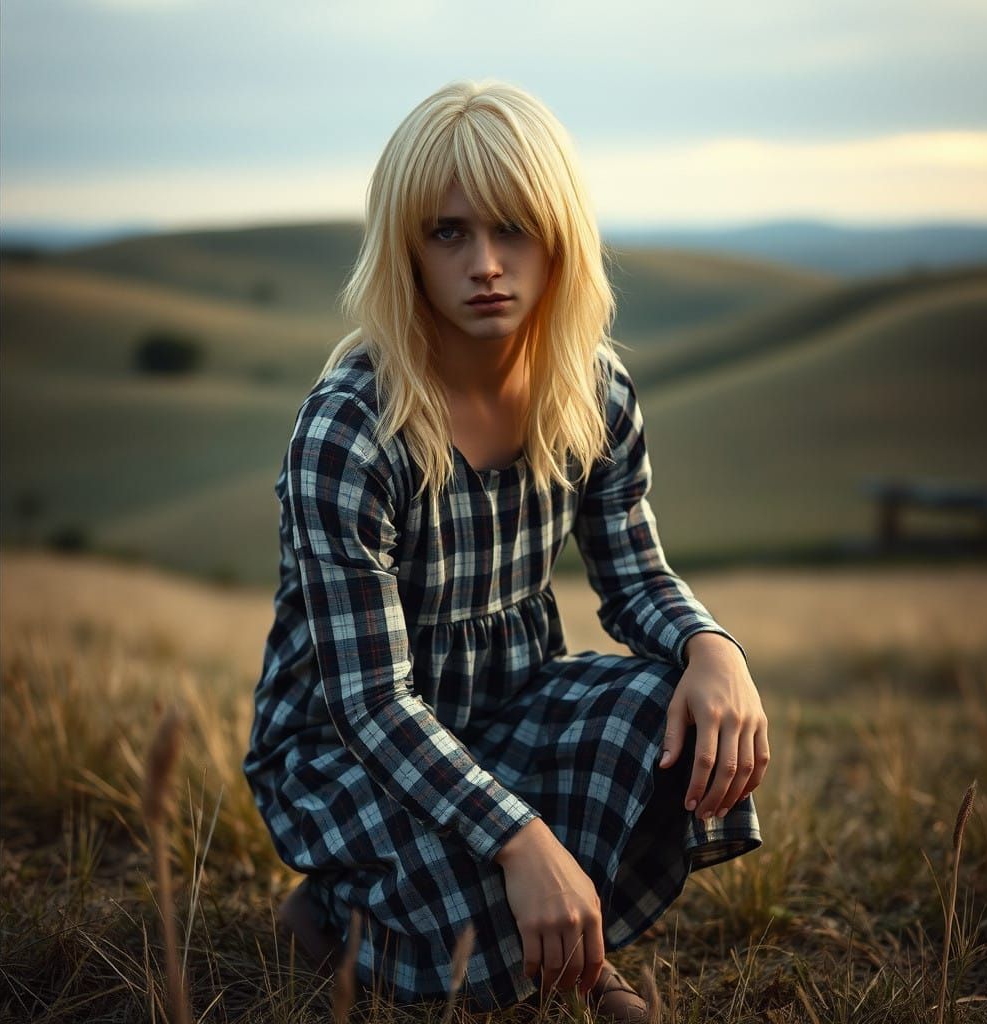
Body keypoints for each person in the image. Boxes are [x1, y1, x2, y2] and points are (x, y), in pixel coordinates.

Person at [243, 79, 768, 1019]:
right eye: (449, 232)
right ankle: (329, 914)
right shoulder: (352, 432)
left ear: (559, 235)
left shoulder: (593, 393)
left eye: (514, 228)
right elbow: (370, 702)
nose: (486, 263)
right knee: (473, 973)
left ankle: (527, 921)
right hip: (348, 746)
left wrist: (711, 648)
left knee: (670, 709)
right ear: (406, 246)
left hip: (508, 699)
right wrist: (521, 839)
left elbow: (635, 574)